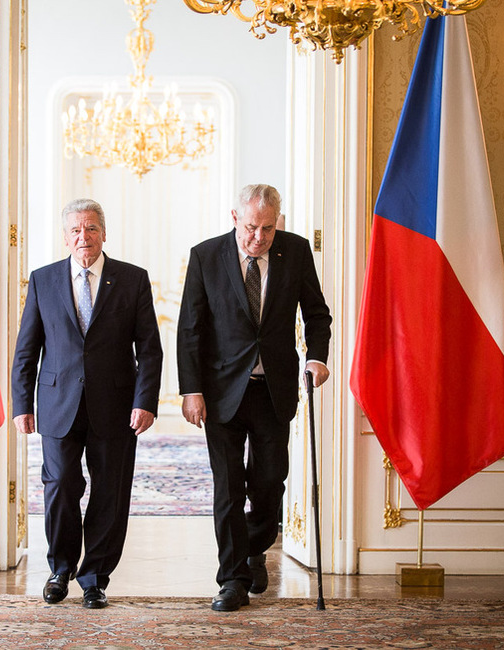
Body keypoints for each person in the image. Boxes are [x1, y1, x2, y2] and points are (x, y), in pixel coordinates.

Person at [177, 184, 332, 612]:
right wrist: (191, 390)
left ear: (277, 222)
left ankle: (254, 546)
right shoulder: (206, 256)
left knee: (268, 485)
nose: (258, 238)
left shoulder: (296, 251)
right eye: (250, 228)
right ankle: (232, 580)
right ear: (234, 217)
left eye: (267, 228)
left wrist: (317, 358)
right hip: (221, 392)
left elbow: (317, 314)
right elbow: (190, 328)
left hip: (273, 390)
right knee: (227, 488)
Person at [12, 198, 163, 609]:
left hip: (116, 405)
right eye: (76, 230)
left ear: (104, 233)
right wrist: (21, 404)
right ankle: (61, 569)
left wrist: (145, 400)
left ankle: (95, 577)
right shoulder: (43, 280)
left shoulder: (132, 280)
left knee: (110, 492)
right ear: (66, 237)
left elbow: (150, 348)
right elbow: (27, 349)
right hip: (58, 403)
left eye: (92, 228)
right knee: (60, 485)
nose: (84, 237)